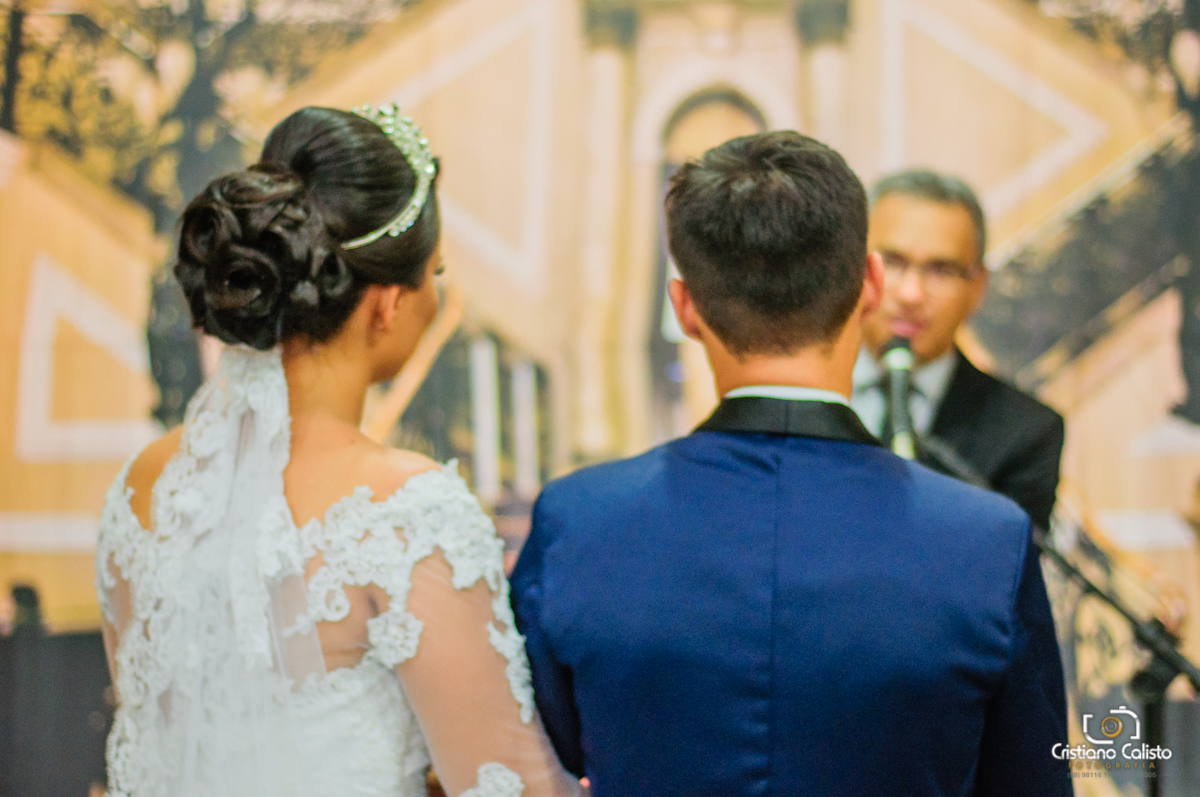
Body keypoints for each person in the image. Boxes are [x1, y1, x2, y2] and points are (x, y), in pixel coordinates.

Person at [511, 132, 1070, 796]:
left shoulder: (577, 521)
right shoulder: (989, 541)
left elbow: (545, 748)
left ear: (685, 307)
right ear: (870, 285)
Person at [94, 105, 577, 797]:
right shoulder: (405, 510)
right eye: (435, 273)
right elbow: (511, 787)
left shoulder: (142, 485)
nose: (437, 298)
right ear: (387, 303)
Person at [853, 170, 1065, 530]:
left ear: (978, 287)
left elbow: (1007, 559)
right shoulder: (794, 395)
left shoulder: (1025, 432)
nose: (911, 294)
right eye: (892, 262)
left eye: (941, 270)